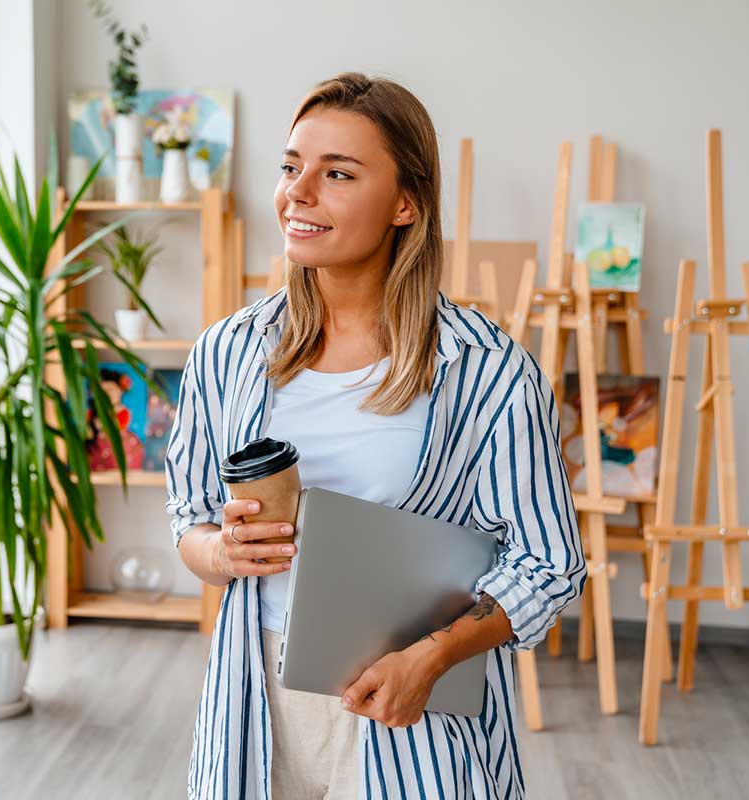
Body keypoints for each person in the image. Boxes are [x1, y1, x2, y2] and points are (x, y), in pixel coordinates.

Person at [163, 72, 585, 799]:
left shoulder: (485, 370)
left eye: (337, 174)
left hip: (407, 705)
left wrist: (431, 658)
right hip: (256, 692)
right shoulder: (228, 352)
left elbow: (548, 565)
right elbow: (188, 521)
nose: (298, 192)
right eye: (292, 167)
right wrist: (222, 551)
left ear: (405, 203)